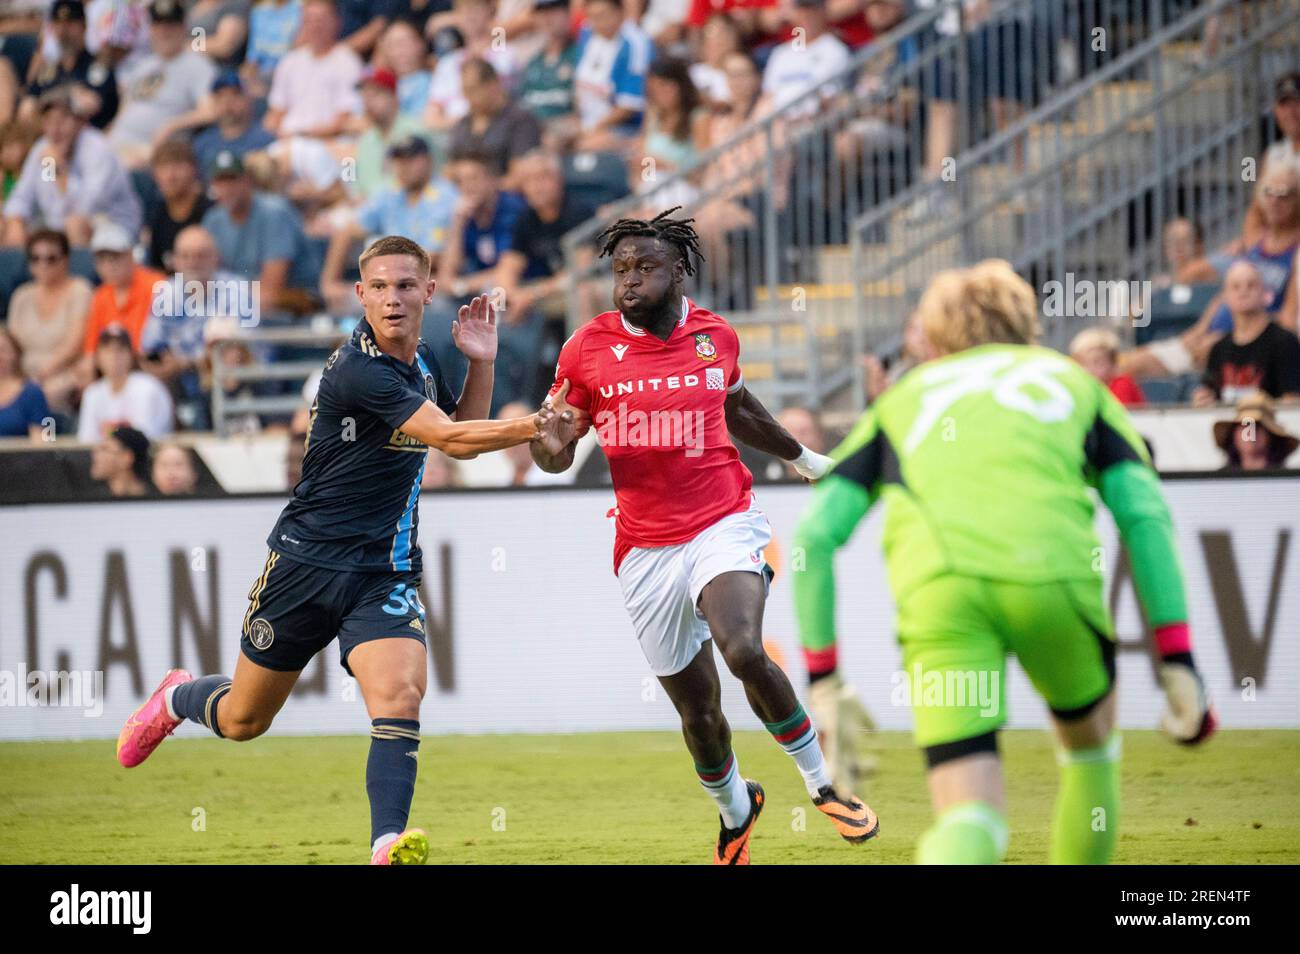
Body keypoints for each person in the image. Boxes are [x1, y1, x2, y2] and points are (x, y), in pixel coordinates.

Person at [114, 234, 575, 866]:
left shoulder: (425, 361)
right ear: (360, 295)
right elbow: (448, 434)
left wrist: (483, 363)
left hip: (382, 572)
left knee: (400, 696)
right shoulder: (358, 368)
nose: (392, 298)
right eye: (379, 287)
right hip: (304, 566)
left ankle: (386, 843)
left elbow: (459, 442)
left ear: (429, 292)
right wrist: (537, 422)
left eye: (406, 286)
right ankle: (175, 697)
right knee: (244, 720)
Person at [792, 260, 1216, 866]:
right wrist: (1176, 654)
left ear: (936, 336)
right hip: (1054, 584)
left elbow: (813, 538)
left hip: (944, 599)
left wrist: (825, 680)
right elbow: (1144, 516)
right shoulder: (1074, 384)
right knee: (1090, 756)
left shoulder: (903, 400)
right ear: (1025, 321)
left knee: (969, 817)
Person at [531, 209, 879, 864]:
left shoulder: (715, 336)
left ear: (680, 270)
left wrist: (807, 461)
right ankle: (736, 811)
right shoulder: (587, 348)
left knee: (743, 647)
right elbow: (557, 450)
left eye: (645, 266)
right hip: (643, 548)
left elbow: (739, 408)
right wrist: (547, 445)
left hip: (724, 519)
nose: (629, 279)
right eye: (620, 269)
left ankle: (823, 782)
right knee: (700, 714)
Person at [2, 83, 141, 247]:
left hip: (113, 227)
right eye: (49, 120)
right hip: (60, 228)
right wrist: (15, 220)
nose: (55, 129)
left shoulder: (97, 149)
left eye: (62, 120)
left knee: (74, 224)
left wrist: (61, 171)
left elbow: (85, 207)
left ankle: (78, 272)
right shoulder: (46, 150)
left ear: (80, 121)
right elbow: (24, 196)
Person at [105, 0, 217, 169]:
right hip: (117, 144)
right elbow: (124, 110)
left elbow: (210, 112)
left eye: (170, 25)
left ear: (183, 28)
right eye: (158, 25)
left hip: (153, 151)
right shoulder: (143, 65)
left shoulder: (198, 65)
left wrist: (172, 125)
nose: (163, 32)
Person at [5, 228, 93, 411]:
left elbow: (73, 345)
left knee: (42, 396)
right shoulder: (21, 296)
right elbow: (10, 343)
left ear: (66, 259)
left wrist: (39, 376)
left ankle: (45, 438)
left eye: (51, 258)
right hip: (22, 375)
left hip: (64, 374)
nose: (43, 264)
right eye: (35, 258)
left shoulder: (80, 291)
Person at [1192, 261, 1300, 407]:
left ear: (1265, 294)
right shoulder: (1218, 349)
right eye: (1236, 287)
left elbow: (1292, 403)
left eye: (1251, 285)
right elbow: (1209, 395)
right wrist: (1202, 400)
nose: (1243, 291)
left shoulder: (1285, 342)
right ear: (1225, 297)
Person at [263, 0, 362, 139]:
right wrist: (270, 131)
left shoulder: (348, 62)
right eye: (309, 20)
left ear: (337, 22)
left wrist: (303, 134)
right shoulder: (290, 61)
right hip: (286, 139)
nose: (315, 26)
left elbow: (345, 118)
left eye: (321, 20)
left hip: (327, 142)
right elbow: (276, 111)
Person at [19, 0, 119, 130]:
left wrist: (47, 101)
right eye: (58, 24)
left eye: (70, 24)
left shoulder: (97, 66)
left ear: (83, 26)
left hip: (87, 138)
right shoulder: (49, 70)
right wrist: (68, 93)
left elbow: (90, 105)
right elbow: (27, 106)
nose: (63, 32)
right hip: (47, 136)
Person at [447, 58, 541, 184]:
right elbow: (448, 170)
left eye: (473, 90)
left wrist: (482, 190)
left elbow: (518, 177)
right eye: (465, 91)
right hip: (464, 197)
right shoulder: (463, 124)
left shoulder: (520, 121)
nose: (468, 97)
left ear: (493, 85)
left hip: (505, 198)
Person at [80, 219, 166, 357]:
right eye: (102, 259)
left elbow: (158, 342)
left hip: (147, 365)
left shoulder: (157, 285)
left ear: (131, 255)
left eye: (115, 257)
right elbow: (91, 349)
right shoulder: (100, 295)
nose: (109, 265)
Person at [77, 324, 175, 441]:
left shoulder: (146, 388)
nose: (114, 356)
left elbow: (143, 440)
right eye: (107, 350)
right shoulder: (92, 393)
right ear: (97, 357)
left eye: (120, 350)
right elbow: (87, 441)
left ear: (131, 356)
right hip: (107, 456)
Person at [142, 138, 213, 271]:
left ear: (194, 169)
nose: (171, 176)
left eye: (178, 166)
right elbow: (155, 266)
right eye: (163, 167)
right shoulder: (157, 212)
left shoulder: (210, 211)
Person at [190, 70, 276, 181]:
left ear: (248, 98)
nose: (227, 102)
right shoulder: (201, 144)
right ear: (213, 102)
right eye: (220, 96)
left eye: (235, 94)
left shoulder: (266, 141)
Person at [1213, 394, 1299, 471]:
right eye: (1245, 425)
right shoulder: (1219, 481)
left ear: (1271, 434)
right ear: (1233, 434)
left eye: (1256, 426)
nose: (1250, 432)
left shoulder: (1287, 482)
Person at [1069, 327, 1146, 408]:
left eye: (1098, 362)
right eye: (1083, 363)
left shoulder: (1122, 385)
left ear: (1114, 365)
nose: (1090, 369)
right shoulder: (1077, 389)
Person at [0, 327, 51, 439]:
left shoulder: (33, 392)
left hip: (18, 456)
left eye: (3, 350)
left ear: (15, 353)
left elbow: (44, 440)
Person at [90, 424, 152, 496]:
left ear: (127, 458)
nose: (95, 455)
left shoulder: (156, 502)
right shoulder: (93, 501)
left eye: (104, 449)